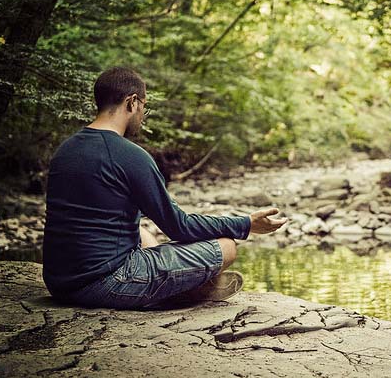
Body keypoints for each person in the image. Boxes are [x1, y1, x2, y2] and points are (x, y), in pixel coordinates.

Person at [42, 66, 287, 309]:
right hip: (105, 285)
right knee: (227, 246)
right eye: (143, 107)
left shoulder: (65, 150)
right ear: (132, 102)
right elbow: (179, 226)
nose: (142, 114)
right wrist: (246, 224)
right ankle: (182, 291)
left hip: (60, 283)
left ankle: (174, 285)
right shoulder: (130, 156)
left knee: (142, 231)